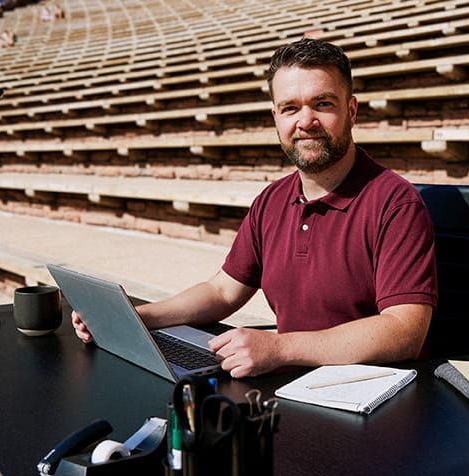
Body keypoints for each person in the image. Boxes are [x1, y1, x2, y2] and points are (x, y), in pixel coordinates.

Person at [72, 38, 438, 377]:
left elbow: (404, 330)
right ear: (276, 117)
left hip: (370, 395)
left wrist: (279, 346)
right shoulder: (271, 200)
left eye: (323, 104)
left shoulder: (396, 203)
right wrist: (137, 318)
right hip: (287, 384)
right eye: (290, 108)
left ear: (352, 110)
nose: (305, 121)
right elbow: (222, 292)